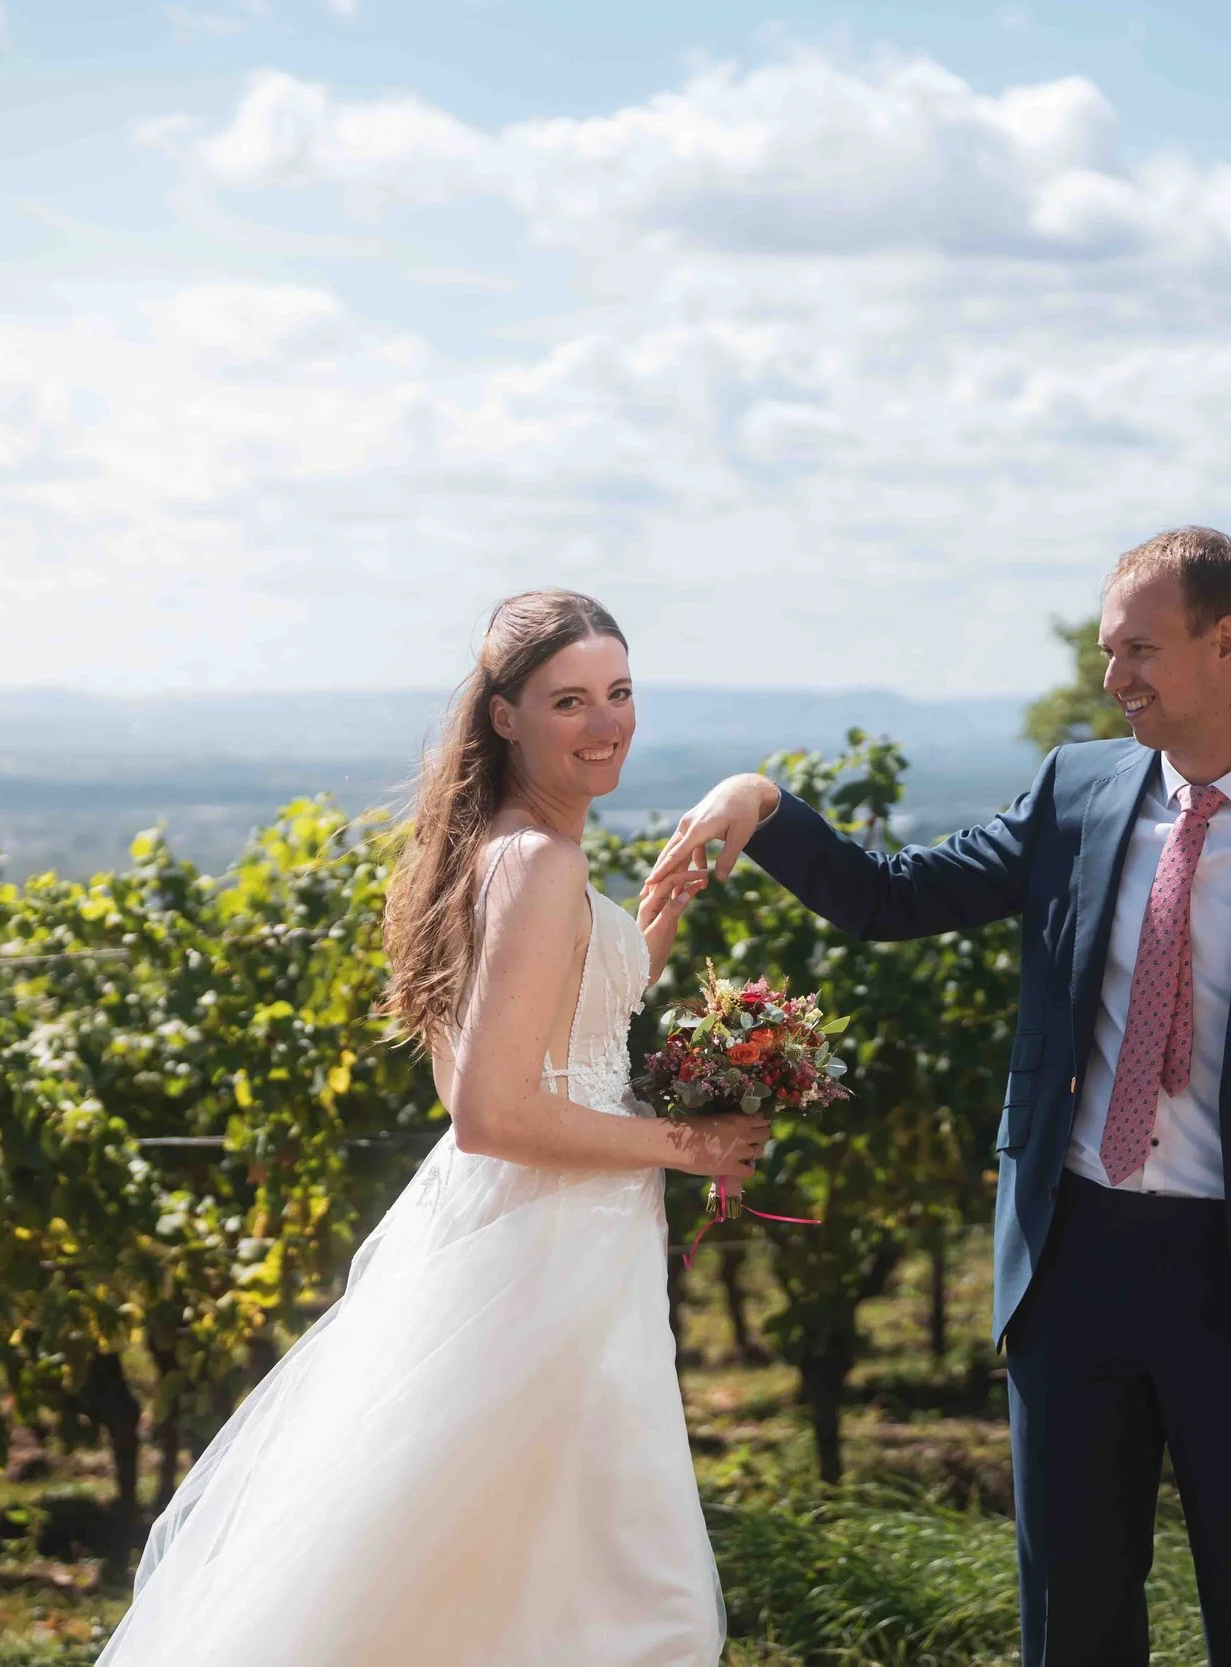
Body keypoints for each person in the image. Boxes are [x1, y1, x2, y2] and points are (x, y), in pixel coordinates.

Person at [649, 527, 1231, 1666]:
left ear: (1227, 643)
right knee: (1071, 1616)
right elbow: (891, 897)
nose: (1112, 675)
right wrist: (764, 805)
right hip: (1071, 1259)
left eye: (1139, 649)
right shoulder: (1075, 789)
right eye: (1106, 648)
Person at [96, 589, 764, 1667]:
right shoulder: (538, 863)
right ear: (505, 715)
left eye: (621, 692)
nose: (607, 724)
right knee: (618, 1600)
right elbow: (494, 1111)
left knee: (498, 1578)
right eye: (570, 702)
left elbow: (562, 1027)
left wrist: (717, 831)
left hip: (539, 1238)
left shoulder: (493, 848)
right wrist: (692, 1146)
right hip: (550, 1252)